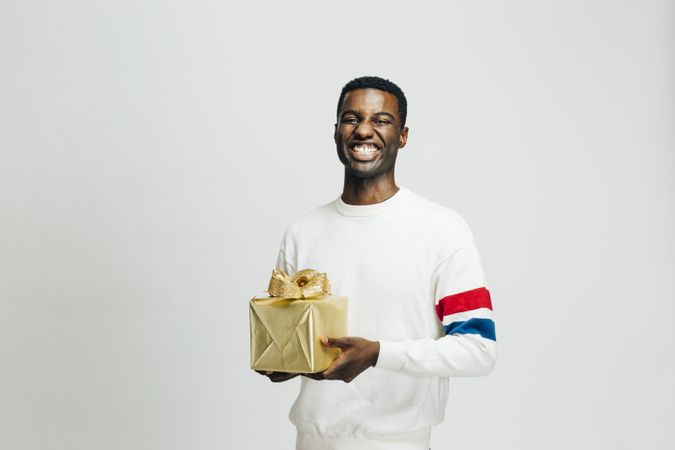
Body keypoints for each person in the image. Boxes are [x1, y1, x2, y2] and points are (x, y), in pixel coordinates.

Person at [259, 76, 497, 450]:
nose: (364, 130)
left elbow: (478, 349)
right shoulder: (302, 232)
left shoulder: (443, 229)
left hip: (401, 442)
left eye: (381, 120)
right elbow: (289, 339)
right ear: (336, 131)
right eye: (351, 119)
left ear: (402, 135)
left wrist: (378, 354)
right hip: (312, 441)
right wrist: (281, 360)